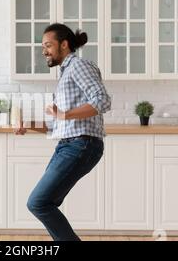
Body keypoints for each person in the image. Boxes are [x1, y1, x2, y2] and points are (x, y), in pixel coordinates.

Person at [14, 23, 111, 241]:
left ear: (64, 44)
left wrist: (65, 114)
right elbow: (55, 124)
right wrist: (27, 124)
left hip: (81, 144)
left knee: (38, 202)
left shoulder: (79, 66)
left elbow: (102, 101)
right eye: (43, 46)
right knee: (43, 202)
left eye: (48, 45)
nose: (44, 51)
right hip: (69, 144)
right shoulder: (65, 74)